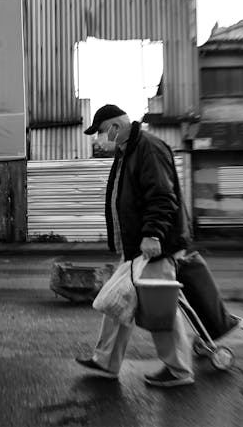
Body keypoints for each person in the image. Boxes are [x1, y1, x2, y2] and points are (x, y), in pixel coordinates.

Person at [75, 104, 195, 387]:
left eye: (103, 132)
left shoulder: (148, 148)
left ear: (116, 127)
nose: (101, 138)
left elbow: (162, 196)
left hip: (154, 246)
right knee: (117, 302)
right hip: (135, 246)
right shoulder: (129, 150)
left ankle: (179, 370)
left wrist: (153, 234)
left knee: (160, 309)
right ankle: (106, 361)